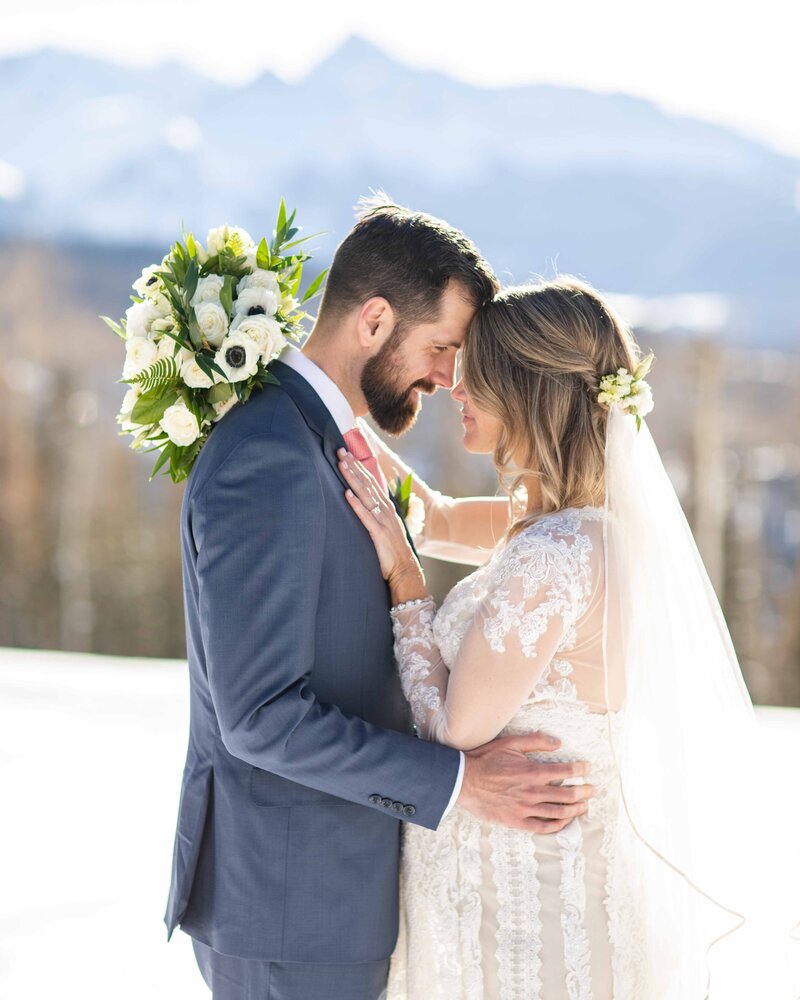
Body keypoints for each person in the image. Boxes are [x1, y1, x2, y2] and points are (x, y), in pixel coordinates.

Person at [163, 201, 594, 1000]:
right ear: (373, 320)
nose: (445, 379)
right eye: (441, 349)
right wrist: (463, 783)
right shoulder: (271, 457)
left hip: (334, 902)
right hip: (294, 907)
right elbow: (259, 716)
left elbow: (439, 519)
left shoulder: (333, 445)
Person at [340, 275, 757, 999]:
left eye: (479, 375)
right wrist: (325, 409)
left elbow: (450, 729)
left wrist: (406, 585)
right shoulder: (568, 529)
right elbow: (431, 516)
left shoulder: (554, 551)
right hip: (511, 890)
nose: (457, 388)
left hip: (523, 914)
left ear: (528, 392)